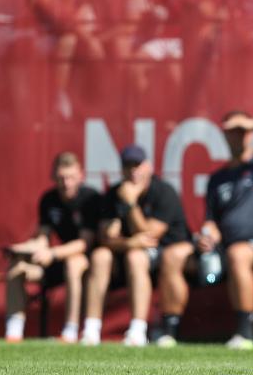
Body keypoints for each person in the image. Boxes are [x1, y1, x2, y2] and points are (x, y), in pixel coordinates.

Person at [157, 112, 253, 349]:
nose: (235, 138)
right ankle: (167, 332)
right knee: (173, 255)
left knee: (239, 253)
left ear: (249, 134)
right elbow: (212, 221)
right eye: (230, 133)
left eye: (240, 132)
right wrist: (209, 234)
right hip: (226, 248)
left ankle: (244, 334)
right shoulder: (218, 178)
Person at [81, 145, 191, 346]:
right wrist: (129, 242)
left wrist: (131, 204)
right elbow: (105, 237)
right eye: (127, 165)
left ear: (148, 166)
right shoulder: (114, 194)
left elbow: (149, 236)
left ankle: (137, 330)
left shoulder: (163, 191)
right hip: (127, 250)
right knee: (99, 256)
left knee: (136, 257)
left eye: (137, 165)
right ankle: (90, 329)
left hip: (163, 253)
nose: (133, 171)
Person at [3, 153, 101, 343]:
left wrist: (53, 253)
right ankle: (13, 332)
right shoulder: (49, 199)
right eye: (61, 178)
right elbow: (43, 237)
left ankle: (70, 331)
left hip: (87, 262)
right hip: (56, 260)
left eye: (71, 177)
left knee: (73, 264)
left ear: (81, 175)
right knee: (16, 268)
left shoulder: (90, 198)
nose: (66, 183)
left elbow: (84, 243)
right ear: (54, 176)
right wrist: (22, 249)